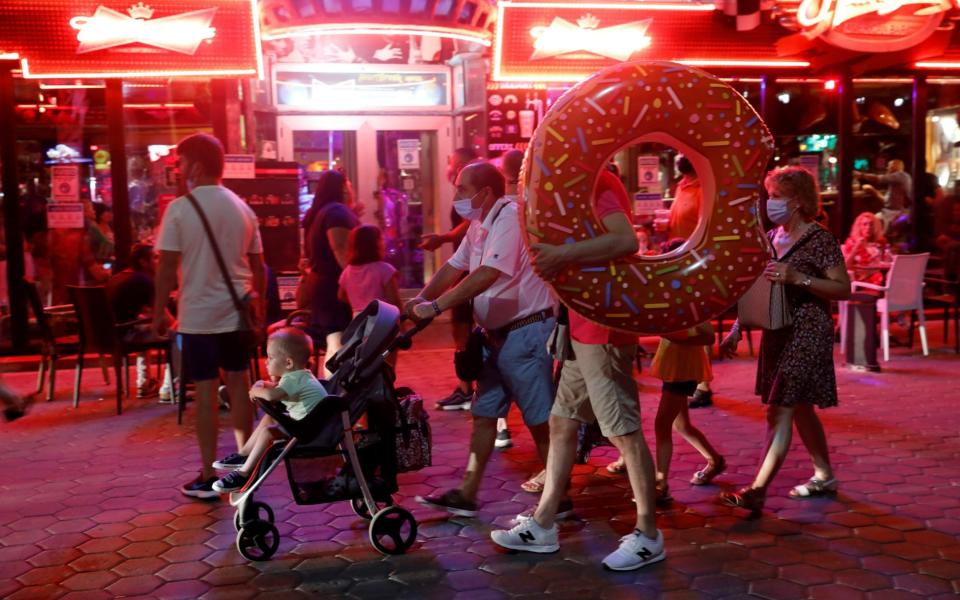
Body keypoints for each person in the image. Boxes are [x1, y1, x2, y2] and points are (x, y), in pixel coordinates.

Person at [491, 169, 665, 572]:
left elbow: (624, 240)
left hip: (602, 326)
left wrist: (562, 256)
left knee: (622, 429)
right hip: (580, 323)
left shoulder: (596, 181)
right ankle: (544, 522)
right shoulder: (572, 186)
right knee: (562, 422)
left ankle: (648, 535)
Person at [410, 161, 556, 518]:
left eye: (462, 189)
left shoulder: (509, 217)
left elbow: (490, 273)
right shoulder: (479, 224)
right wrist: (418, 301)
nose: (456, 195)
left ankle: (558, 492)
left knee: (538, 418)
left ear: (486, 192)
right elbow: (453, 267)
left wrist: (437, 306)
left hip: (525, 330)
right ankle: (468, 492)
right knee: (485, 412)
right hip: (496, 336)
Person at [718, 166, 850, 513]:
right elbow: (760, 289)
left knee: (781, 409)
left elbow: (842, 288)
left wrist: (800, 278)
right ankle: (824, 474)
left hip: (808, 330)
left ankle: (757, 490)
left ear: (796, 201)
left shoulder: (820, 239)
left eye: (776, 196)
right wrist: (738, 326)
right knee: (800, 405)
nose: (770, 203)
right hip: (777, 332)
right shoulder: (773, 237)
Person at [152, 133, 265, 500]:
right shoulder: (241, 207)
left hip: (198, 316)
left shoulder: (180, 209)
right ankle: (246, 466)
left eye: (181, 163)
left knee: (204, 394)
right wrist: (257, 305)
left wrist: (158, 313)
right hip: (236, 313)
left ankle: (206, 474)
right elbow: (258, 265)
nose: (178, 170)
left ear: (196, 166)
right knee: (238, 387)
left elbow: (167, 267)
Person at [212, 328, 328, 492]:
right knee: (270, 418)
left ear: (288, 363)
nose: (266, 362)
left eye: (270, 357)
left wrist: (256, 390)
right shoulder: (298, 376)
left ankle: (244, 473)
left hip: (309, 432)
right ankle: (244, 454)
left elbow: (272, 395)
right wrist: (261, 385)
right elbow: (274, 389)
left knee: (269, 432)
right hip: (306, 425)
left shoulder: (295, 379)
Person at [420, 147, 480, 411]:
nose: (452, 170)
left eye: (458, 165)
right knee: (461, 327)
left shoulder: (477, 196)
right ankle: (467, 385)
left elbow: (471, 226)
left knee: (465, 327)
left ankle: (470, 387)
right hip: (464, 267)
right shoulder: (463, 194)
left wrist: (443, 238)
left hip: (473, 270)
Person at [650, 322, 725, 504]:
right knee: (681, 425)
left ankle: (661, 484)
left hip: (683, 369)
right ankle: (715, 461)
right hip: (674, 366)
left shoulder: (692, 303)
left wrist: (674, 335)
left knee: (662, 424)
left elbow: (708, 336)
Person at [302, 170, 359, 377]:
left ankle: (334, 391)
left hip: (322, 287)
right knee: (338, 341)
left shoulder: (321, 212)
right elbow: (341, 250)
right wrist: (357, 282)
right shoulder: (336, 213)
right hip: (334, 289)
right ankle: (335, 393)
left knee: (334, 341)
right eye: (349, 185)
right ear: (343, 188)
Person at [105, 243, 173, 399]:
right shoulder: (143, 281)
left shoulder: (118, 278)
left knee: (144, 327)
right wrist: (179, 326)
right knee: (175, 336)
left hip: (110, 335)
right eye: (155, 258)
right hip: (125, 335)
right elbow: (162, 314)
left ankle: (144, 383)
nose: (158, 261)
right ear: (143, 261)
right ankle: (169, 388)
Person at [337, 225, 402, 316]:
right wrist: (402, 323)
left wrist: (358, 299)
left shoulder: (347, 271)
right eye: (381, 239)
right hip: (382, 318)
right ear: (376, 244)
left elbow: (341, 296)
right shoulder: (385, 269)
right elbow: (394, 301)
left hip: (358, 319)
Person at [854, 159, 911, 233]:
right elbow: (886, 202)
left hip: (898, 213)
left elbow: (878, 178)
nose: (887, 168)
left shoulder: (902, 175)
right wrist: (873, 190)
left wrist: (860, 175)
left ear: (895, 166)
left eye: (889, 166)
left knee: (869, 225)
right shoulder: (895, 182)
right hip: (890, 212)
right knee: (869, 223)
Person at [841, 212, 889, 286]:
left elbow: (884, 262)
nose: (868, 227)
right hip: (860, 281)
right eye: (865, 224)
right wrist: (856, 247)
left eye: (871, 224)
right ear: (859, 227)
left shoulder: (879, 243)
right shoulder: (852, 242)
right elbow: (846, 266)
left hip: (879, 278)